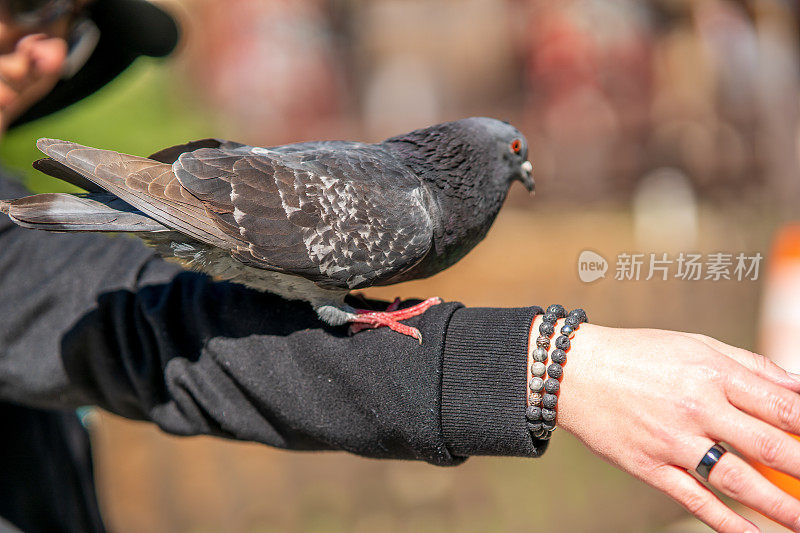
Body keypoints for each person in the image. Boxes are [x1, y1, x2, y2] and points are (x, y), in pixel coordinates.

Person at [1, 2, 799, 533]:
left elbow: (109, 306)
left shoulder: (401, 185)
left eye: (67, 26)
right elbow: (129, 310)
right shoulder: (405, 210)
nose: (44, 49)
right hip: (221, 209)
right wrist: (544, 365)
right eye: (27, 9)